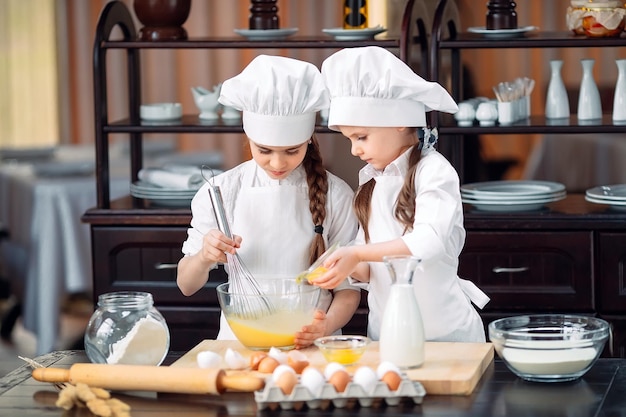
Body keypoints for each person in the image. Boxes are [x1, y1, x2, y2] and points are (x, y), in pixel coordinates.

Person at [176, 55, 360, 348]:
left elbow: (348, 291)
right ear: (248, 138)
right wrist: (204, 256)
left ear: (309, 141)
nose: (277, 162)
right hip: (238, 344)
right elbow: (187, 285)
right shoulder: (222, 191)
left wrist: (325, 326)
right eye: (264, 150)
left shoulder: (336, 195)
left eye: (292, 150)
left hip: (311, 344)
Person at [314, 46, 490, 343]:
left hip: (446, 338)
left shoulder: (434, 172)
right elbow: (370, 269)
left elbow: (428, 242)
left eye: (361, 137)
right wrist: (340, 266)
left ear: (399, 120)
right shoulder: (370, 181)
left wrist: (356, 253)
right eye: (350, 139)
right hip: (388, 336)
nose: (354, 150)